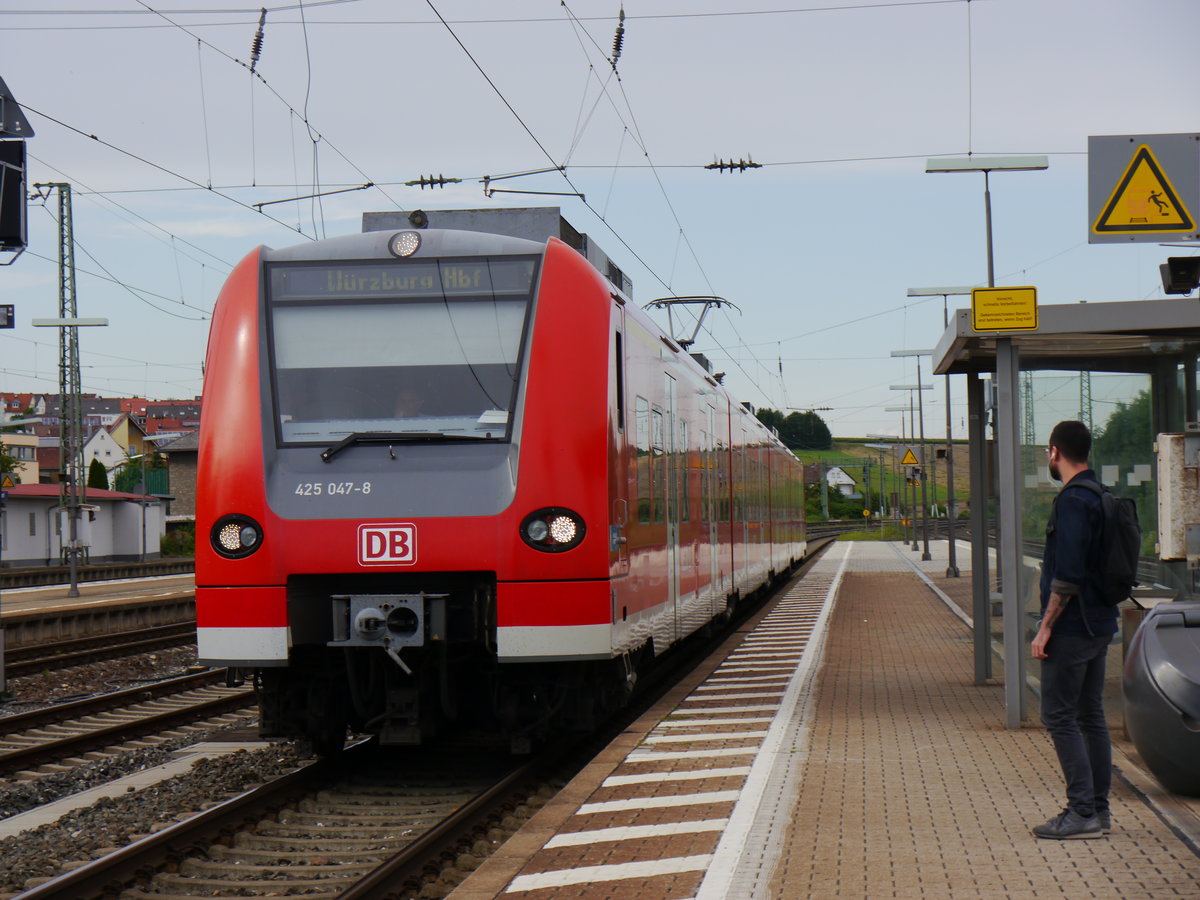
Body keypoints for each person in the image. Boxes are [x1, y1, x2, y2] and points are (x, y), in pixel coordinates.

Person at [1030, 420, 1117, 840]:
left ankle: (1082, 811)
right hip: (1101, 624)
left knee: (1059, 716)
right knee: (1091, 715)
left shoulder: (1072, 501)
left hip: (1073, 627)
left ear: (1054, 453)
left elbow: (1066, 576)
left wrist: (1044, 627)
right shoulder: (1101, 495)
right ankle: (1098, 811)